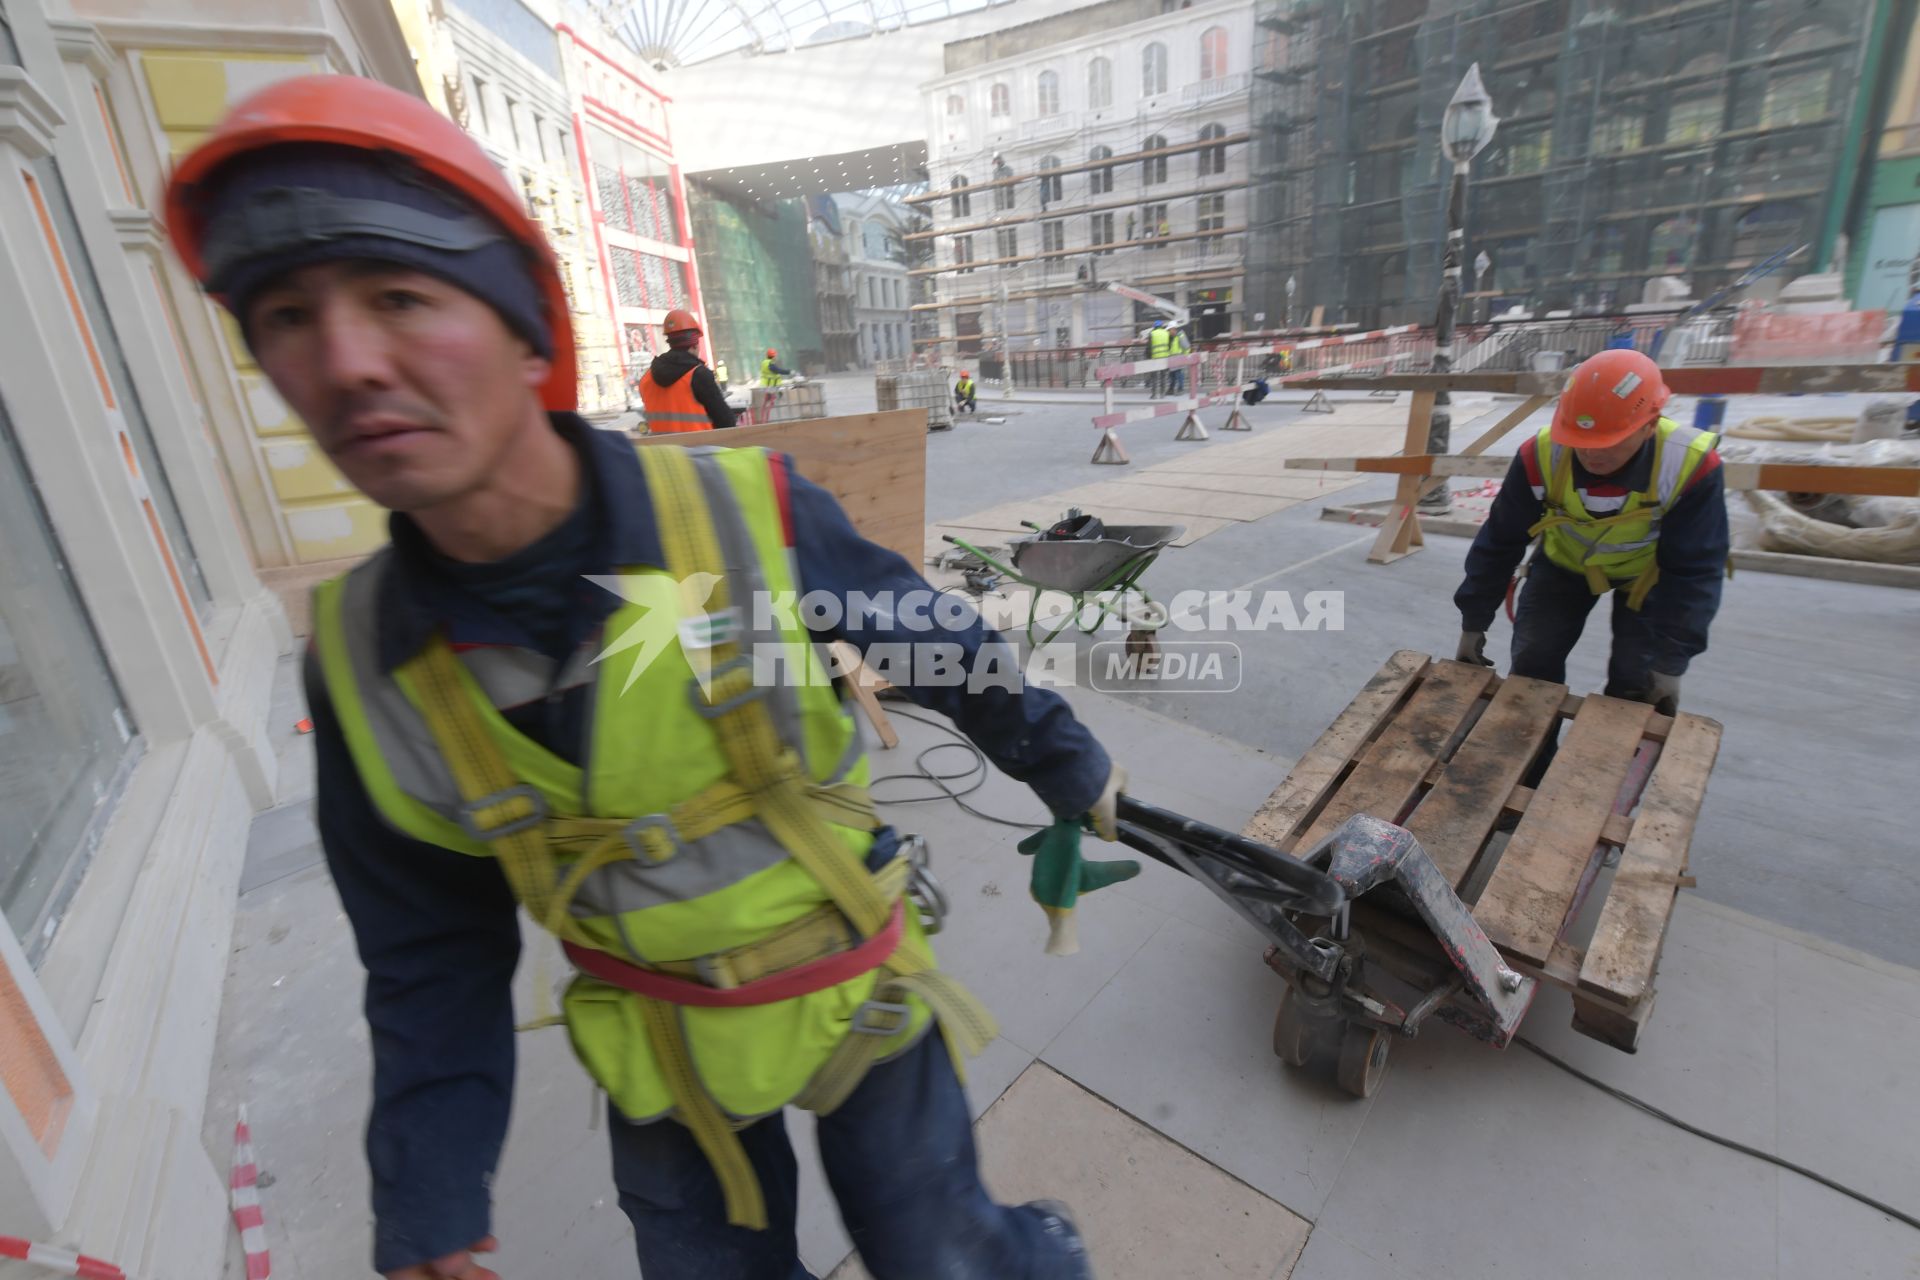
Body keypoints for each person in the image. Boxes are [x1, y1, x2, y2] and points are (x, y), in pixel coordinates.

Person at [165, 75, 1130, 1280]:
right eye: (287, 319)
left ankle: (1038, 1253)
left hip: (846, 991)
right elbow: (426, 954)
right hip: (657, 1038)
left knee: (944, 1255)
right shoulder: (367, 666)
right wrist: (430, 1201)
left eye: (400, 296)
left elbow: (935, 643)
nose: (347, 361)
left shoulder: (749, 515)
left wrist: (1061, 755)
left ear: (526, 332)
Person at [1453, 349, 1728, 724]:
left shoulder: (1690, 465)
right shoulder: (1541, 455)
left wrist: (1670, 664)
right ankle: (1529, 772)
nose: (1592, 454)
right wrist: (1474, 621)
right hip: (1563, 565)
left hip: (1646, 578)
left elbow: (1695, 570)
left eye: (1611, 441)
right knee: (1533, 672)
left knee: (1634, 687)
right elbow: (1500, 541)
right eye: (1580, 440)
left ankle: (1603, 771)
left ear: (1650, 425)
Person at [636, 309, 733, 432]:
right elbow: (726, 422)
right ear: (695, 343)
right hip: (701, 449)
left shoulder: (646, 378)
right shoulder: (699, 375)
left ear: (670, 342)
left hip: (662, 450)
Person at [1146, 320, 1172, 398]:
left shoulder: (1152, 334)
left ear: (1154, 326)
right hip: (1165, 357)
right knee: (1163, 376)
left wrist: (1149, 356)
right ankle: (1162, 394)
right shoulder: (1166, 333)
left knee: (1154, 377)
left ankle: (1154, 394)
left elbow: (1149, 347)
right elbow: (1169, 345)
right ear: (1161, 326)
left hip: (1155, 358)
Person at [1167, 326, 1191, 395]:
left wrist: (1185, 357)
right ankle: (1172, 389)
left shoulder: (1180, 336)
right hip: (1172, 358)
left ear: (1174, 329)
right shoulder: (1172, 337)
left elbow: (1186, 347)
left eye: (1170, 330)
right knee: (1172, 375)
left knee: (1179, 374)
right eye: (1169, 330)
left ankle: (1180, 389)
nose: (1169, 332)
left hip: (1178, 358)